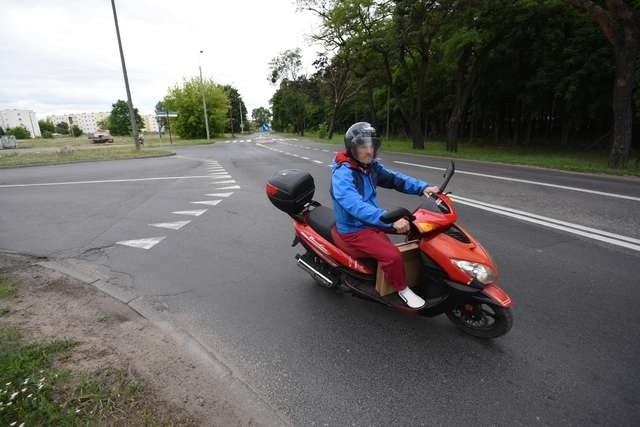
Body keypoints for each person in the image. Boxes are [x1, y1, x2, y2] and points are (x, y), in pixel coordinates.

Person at [330, 122, 439, 309]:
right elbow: (355, 205)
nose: (369, 151)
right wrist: (387, 218)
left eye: (372, 145)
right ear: (352, 148)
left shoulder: (370, 167)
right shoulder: (344, 174)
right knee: (392, 256)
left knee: (418, 229)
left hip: (371, 221)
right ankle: (402, 290)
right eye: (363, 146)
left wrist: (423, 188)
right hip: (354, 228)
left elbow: (395, 179)